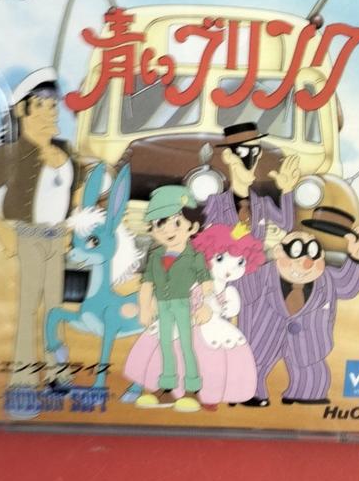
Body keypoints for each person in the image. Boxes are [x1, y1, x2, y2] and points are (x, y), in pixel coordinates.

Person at [0, 67, 83, 397]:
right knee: (28, 310)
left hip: (58, 240)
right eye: (40, 106)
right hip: (27, 238)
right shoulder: (8, 155)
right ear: (21, 111)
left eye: (53, 106)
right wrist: (2, 232)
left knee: (55, 309)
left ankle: (57, 372)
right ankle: (24, 381)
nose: (49, 113)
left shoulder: (67, 153)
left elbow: (77, 195)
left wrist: (72, 227)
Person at [125, 224, 264, 409]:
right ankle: (168, 390)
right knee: (170, 348)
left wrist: (214, 307)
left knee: (207, 358)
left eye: (240, 262)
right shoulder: (193, 274)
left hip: (212, 326)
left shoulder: (228, 292)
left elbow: (230, 310)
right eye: (220, 258)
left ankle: (200, 394)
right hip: (182, 317)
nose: (229, 269)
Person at [236, 226, 359, 406]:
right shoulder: (260, 275)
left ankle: (307, 393)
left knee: (311, 370)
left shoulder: (327, 279)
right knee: (253, 363)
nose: (306, 261)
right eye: (296, 251)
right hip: (263, 337)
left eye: (313, 252)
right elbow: (240, 285)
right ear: (279, 251)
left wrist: (357, 258)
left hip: (309, 343)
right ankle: (250, 392)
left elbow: (348, 287)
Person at [134, 186, 213, 413]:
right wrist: (144, 308)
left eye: (176, 222)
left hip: (184, 306)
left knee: (187, 346)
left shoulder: (194, 256)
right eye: (160, 223)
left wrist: (206, 306)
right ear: (152, 229)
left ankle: (192, 389)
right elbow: (147, 283)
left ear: (193, 227)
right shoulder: (155, 256)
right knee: (166, 344)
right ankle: (167, 387)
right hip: (163, 307)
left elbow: (207, 283)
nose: (168, 230)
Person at [203, 122, 300, 242]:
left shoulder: (263, 203)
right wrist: (233, 236)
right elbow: (204, 238)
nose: (250, 161)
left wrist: (287, 189)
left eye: (254, 152)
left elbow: (286, 225)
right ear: (228, 156)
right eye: (243, 152)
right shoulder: (217, 203)